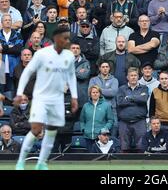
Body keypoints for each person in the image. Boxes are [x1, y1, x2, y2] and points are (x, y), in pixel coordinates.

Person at [14, 26, 78, 170]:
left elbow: (71, 76)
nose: (67, 41)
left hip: (57, 99)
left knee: (51, 131)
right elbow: (27, 73)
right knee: (36, 129)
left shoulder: (68, 56)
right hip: (41, 98)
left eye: (68, 38)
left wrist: (74, 96)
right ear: (55, 38)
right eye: (64, 38)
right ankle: (21, 162)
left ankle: (41, 163)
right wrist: (19, 92)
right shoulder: (42, 54)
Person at [116, 67, 148, 152]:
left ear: (138, 77)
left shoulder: (144, 88)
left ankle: (141, 164)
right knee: (124, 147)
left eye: (135, 75)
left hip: (139, 121)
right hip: (124, 122)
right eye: (131, 75)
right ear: (127, 77)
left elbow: (144, 99)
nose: (133, 77)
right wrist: (137, 99)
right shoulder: (121, 89)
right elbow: (120, 102)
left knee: (141, 146)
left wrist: (129, 98)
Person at [80, 84, 114, 152]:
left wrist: (104, 130)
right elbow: (82, 120)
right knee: (90, 158)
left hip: (100, 137)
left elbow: (110, 120)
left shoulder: (106, 105)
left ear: (100, 94)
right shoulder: (86, 106)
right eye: (93, 92)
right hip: (88, 136)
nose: (95, 94)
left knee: (99, 158)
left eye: (97, 92)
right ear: (90, 94)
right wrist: (84, 129)